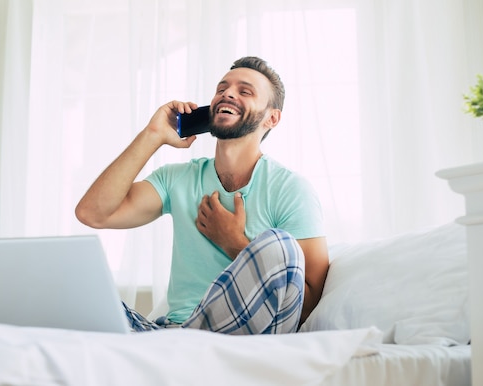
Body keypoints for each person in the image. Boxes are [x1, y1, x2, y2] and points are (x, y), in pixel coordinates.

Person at [75, 56, 329, 334]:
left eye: (245, 91)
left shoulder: (291, 190)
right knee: (74, 288)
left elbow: (308, 300)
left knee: (280, 245)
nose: (228, 93)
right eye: (222, 89)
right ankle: (175, 344)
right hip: (171, 331)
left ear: (272, 117)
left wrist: (235, 243)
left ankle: (190, 343)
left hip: (241, 334)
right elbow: (93, 213)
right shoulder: (177, 178)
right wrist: (153, 134)